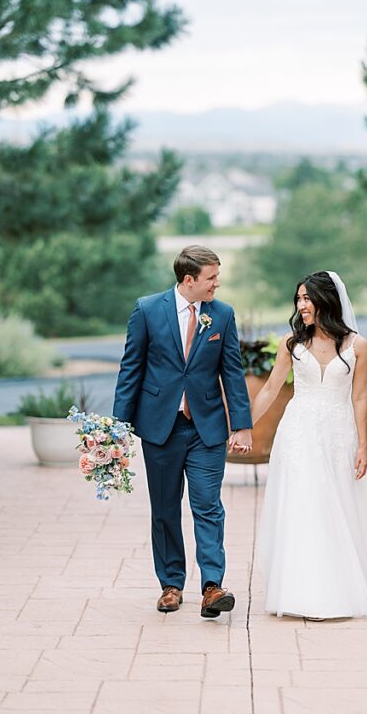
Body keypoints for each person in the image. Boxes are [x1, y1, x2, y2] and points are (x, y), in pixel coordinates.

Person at [113, 245, 253, 617]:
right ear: (189, 280)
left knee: (208, 506)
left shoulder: (221, 315)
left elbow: (233, 373)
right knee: (164, 510)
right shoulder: (147, 310)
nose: (217, 284)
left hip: (207, 428)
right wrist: (118, 429)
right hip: (161, 428)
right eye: (211, 278)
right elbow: (131, 369)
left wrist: (240, 425)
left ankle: (211, 587)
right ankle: (171, 585)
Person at [250, 271, 367, 619]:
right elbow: (269, 389)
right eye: (298, 299)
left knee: (338, 506)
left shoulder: (358, 346)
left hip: (338, 434)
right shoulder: (292, 345)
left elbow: (359, 397)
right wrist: (242, 428)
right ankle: (304, 590)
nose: (301, 305)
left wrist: (363, 446)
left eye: (307, 298)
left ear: (326, 300)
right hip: (299, 433)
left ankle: (343, 585)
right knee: (306, 505)